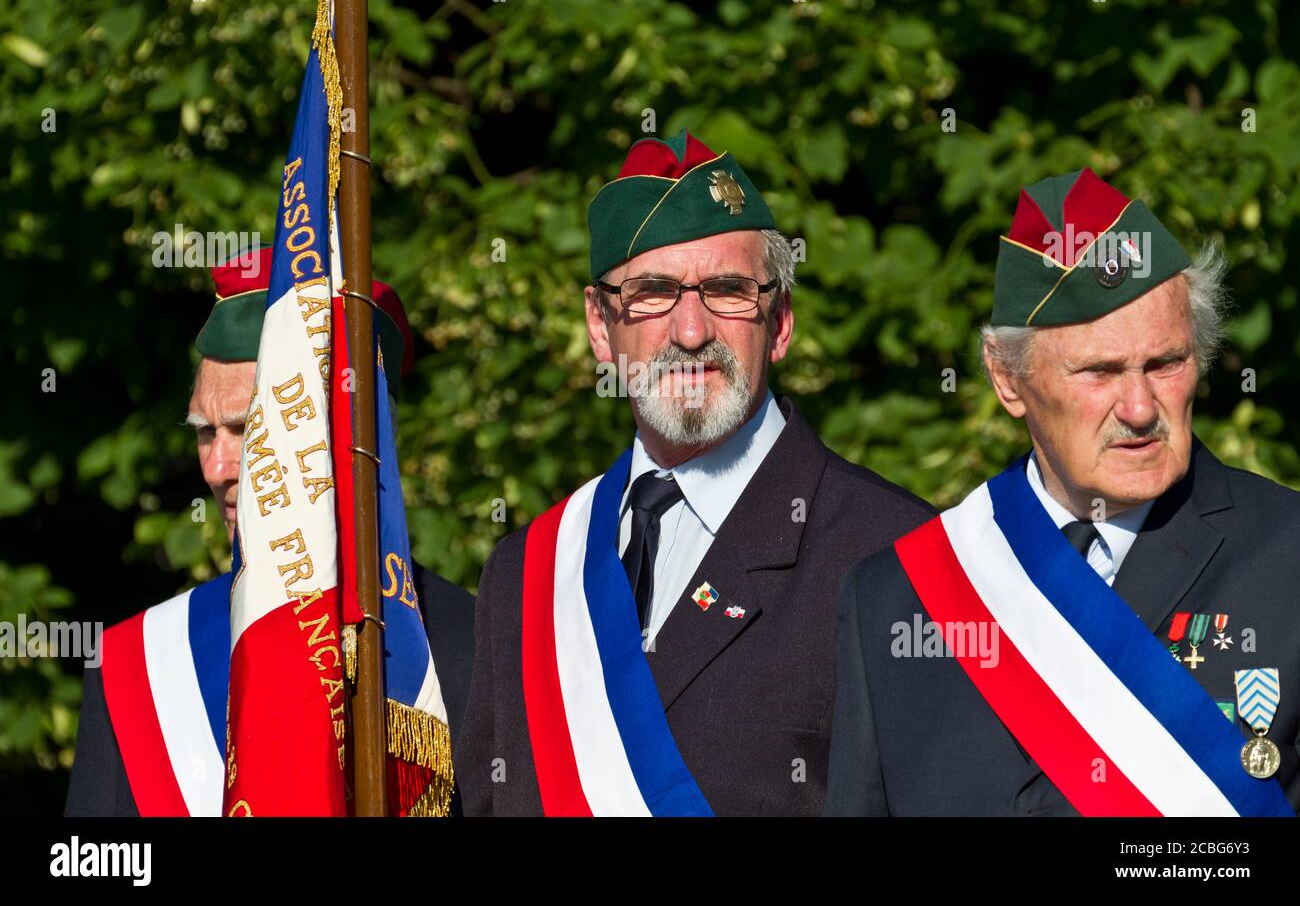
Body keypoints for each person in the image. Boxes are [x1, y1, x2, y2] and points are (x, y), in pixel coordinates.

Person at [456, 129, 934, 816]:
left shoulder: (895, 556)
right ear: (600, 324)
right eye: (651, 294)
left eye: (727, 290)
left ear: (782, 321)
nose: (689, 331)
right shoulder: (525, 576)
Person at [826, 168, 1298, 816]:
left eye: (1165, 363)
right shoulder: (895, 598)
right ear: (1007, 378)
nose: (1139, 407)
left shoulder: (1287, 557)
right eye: (1098, 371)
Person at [64, 248, 475, 816]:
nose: (216, 468)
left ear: (349, 439)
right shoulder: (136, 667)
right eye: (206, 433)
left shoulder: (478, 649)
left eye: (246, 428)